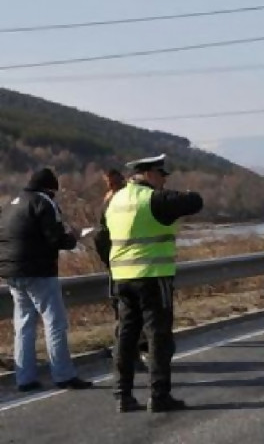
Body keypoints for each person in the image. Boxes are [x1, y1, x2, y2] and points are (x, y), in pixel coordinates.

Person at [100, 154, 203, 413]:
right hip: (153, 276)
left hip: (122, 278)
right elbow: (195, 202)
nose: (164, 180)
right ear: (148, 174)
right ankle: (159, 396)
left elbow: (101, 236)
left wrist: (111, 264)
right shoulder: (152, 199)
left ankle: (122, 395)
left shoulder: (114, 200)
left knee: (126, 336)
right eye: (161, 175)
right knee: (158, 336)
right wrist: (183, 192)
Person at [0, 168, 93, 391]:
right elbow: (55, 238)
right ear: (50, 189)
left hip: (11, 272)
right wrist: (74, 237)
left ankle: (25, 379)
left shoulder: (11, 204)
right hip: (39, 272)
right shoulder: (44, 202)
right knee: (55, 323)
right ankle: (63, 375)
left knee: (24, 325)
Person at [94, 168, 149, 369]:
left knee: (126, 312)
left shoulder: (112, 202)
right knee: (133, 311)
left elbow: (101, 235)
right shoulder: (129, 199)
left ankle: (129, 353)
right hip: (136, 264)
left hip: (120, 265)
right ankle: (134, 351)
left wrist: (109, 260)